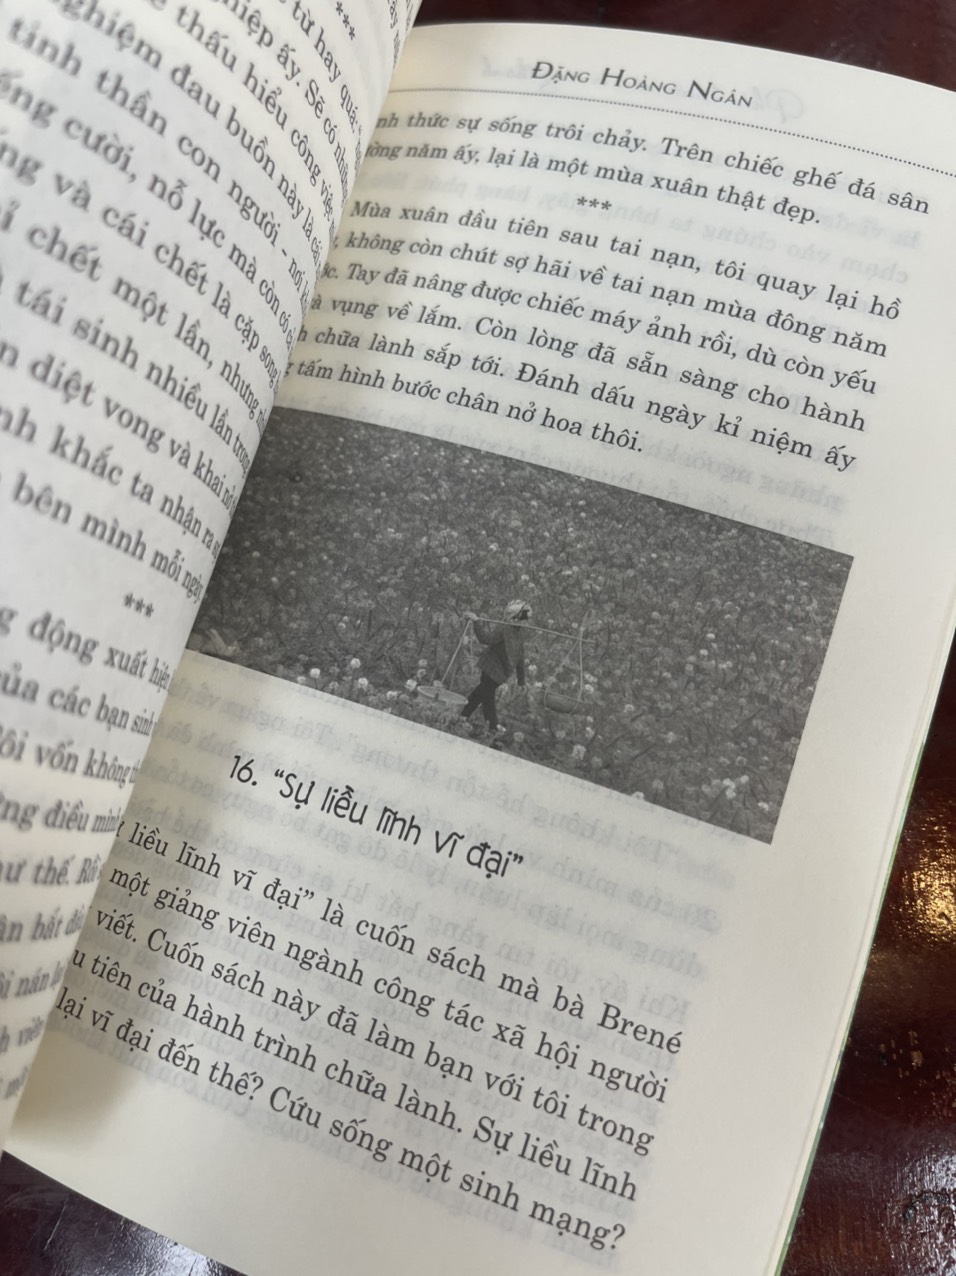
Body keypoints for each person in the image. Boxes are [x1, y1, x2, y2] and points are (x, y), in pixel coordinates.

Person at [460, 599, 531, 735]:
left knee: (482, 698)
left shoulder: (505, 629)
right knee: (483, 698)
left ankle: (490, 729)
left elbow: (486, 639)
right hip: (498, 674)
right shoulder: (518, 633)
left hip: (491, 671)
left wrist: (476, 621)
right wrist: (521, 681)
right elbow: (520, 659)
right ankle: (478, 724)